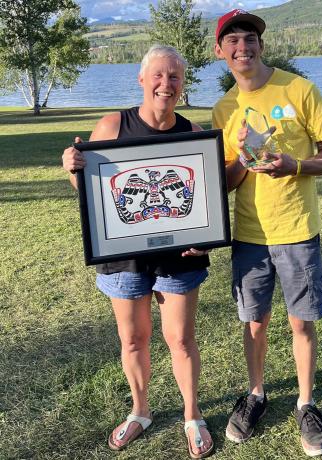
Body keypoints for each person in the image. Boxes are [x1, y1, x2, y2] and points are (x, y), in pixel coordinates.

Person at [62, 44, 214, 459]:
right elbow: (92, 197)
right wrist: (73, 168)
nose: (167, 84)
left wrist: (206, 232)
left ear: (183, 85)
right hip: (123, 256)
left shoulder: (195, 136)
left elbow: (203, 205)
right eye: (159, 75)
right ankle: (140, 410)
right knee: (133, 339)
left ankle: (192, 414)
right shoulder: (111, 126)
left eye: (176, 77)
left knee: (180, 339)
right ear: (142, 79)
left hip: (179, 257)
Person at [212, 9, 322, 457]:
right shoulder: (224, 108)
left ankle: (306, 403)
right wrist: (241, 159)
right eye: (233, 41)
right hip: (249, 233)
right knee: (254, 322)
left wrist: (295, 165)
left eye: (250, 39)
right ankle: (257, 395)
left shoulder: (299, 88)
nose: (242, 47)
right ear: (220, 51)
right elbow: (225, 182)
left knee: (301, 321)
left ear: (260, 46)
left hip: (297, 229)